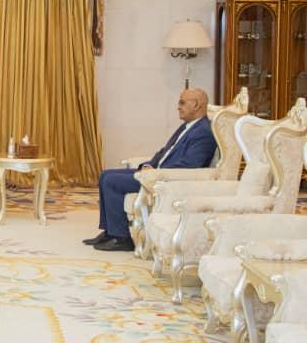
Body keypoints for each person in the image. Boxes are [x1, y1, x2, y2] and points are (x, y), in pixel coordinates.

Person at [85, 87, 217, 252]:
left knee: (112, 181)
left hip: (164, 180)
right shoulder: (188, 126)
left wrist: (155, 173)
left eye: (182, 102)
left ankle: (122, 238)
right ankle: (110, 231)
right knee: (106, 175)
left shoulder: (204, 132)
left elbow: (190, 164)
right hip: (155, 173)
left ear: (196, 105)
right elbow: (164, 152)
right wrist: (148, 165)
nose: (178, 107)